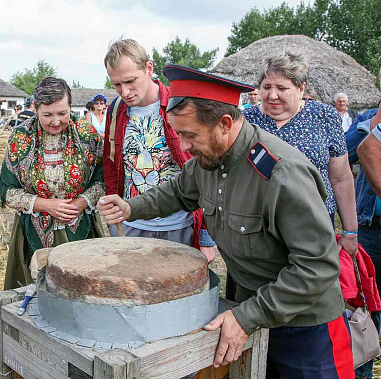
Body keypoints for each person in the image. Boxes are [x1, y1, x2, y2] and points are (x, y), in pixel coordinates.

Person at [98, 64, 353, 377]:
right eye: (179, 134)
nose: (184, 146)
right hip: (249, 311)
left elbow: (318, 267)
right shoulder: (209, 160)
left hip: (305, 328)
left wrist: (247, 316)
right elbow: (177, 192)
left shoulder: (281, 174)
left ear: (225, 123)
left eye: (190, 135)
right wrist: (130, 207)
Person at [103, 38, 216, 258]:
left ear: (148, 68)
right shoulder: (115, 111)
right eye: (117, 84)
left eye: (130, 81)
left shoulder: (182, 105)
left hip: (180, 224)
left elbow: (206, 168)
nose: (125, 92)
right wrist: (114, 215)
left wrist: (206, 236)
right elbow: (111, 165)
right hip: (132, 224)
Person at [242, 52, 358, 257]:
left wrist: (350, 231)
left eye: (282, 88)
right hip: (258, 225)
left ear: (301, 88)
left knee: (310, 282)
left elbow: (340, 178)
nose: (272, 95)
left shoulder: (324, 116)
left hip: (314, 222)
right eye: (267, 87)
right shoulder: (245, 120)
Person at [0, 77, 105, 290]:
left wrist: (80, 203)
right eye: (47, 115)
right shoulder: (21, 136)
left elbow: (102, 181)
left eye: (62, 113)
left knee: (83, 290)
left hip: (80, 228)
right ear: (35, 109)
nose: (55, 121)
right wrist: (45, 205)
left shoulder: (86, 134)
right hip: (33, 234)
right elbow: (6, 191)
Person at [346, 100, 381, 378]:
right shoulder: (369, 117)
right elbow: (344, 153)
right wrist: (373, 124)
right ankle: (363, 370)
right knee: (366, 305)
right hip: (369, 226)